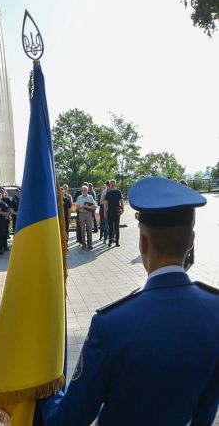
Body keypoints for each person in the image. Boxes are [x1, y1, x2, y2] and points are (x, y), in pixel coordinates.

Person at [39, 176, 218, 425]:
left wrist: (44, 394)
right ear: (191, 241)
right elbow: (206, 408)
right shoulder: (215, 311)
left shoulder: (111, 325)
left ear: (142, 242)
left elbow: (68, 419)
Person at [101, 180, 123, 247]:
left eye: (113, 184)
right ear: (109, 185)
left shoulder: (118, 192)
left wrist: (123, 209)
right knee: (110, 227)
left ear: (115, 184)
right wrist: (105, 213)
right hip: (110, 212)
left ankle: (117, 241)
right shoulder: (108, 193)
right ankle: (110, 241)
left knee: (116, 227)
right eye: (111, 184)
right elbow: (105, 204)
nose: (112, 185)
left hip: (117, 212)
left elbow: (121, 201)